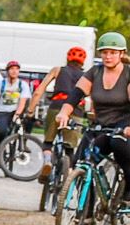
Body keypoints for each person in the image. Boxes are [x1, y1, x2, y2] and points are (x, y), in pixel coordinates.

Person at [55, 32, 130, 201]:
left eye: (113, 52)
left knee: (118, 142)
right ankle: (87, 210)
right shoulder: (95, 72)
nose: (108, 56)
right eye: (104, 52)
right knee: (82, 160)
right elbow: (75, 95)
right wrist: (64, 113)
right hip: (103, 125)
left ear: (121, 54)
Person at [33, 45, 89, 176]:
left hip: (57, 107)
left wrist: (31, 110)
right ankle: (68, 173)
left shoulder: (57, 70)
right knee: (70, 147)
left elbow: (39, 91)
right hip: (76, 110)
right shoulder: (87, 76)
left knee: (48, 142)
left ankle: (47, 161)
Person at [0, 60, 31, 148]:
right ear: (7, 71)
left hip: (16, 111)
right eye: (12, 69)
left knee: (16, 132)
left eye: (17, 69)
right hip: (2, 111)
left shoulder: (23, 84)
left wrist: (17, 114)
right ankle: (0, 153)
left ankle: (17, 149)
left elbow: (22, 102)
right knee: (1, 131)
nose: (14, 71)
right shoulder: (0, 83)